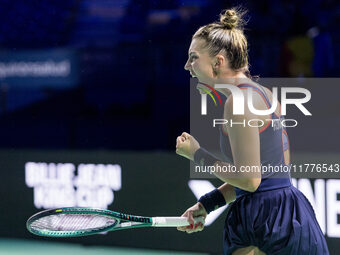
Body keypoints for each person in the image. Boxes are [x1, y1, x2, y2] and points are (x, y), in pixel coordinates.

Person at [175, 7, 329, 255]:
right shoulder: (264, 95)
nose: (187, 66)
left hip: (264, 224)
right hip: (289, 216)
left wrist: (197, 154)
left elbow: (249, 180)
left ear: (219, 61)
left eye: (193, 57)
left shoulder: (238, 103)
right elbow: (268, 178)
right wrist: (208, 203)